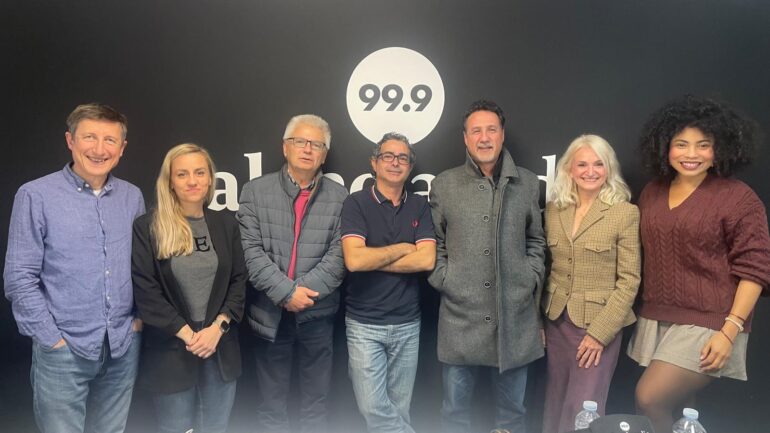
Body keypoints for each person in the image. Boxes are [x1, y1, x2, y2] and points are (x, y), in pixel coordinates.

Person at [628, 95, 770, 433]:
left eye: (703, 145)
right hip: (658, 315)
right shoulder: (652, 192)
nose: (691, 154)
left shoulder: (738, 197)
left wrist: (729, 331)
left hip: (711, 320)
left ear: (719, 148)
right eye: (681, 144)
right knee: (683, 411)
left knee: (649, 399)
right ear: (665, 146)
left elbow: (756, 269)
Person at [4, 103, 144, 433]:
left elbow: (143, 267)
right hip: (63, 351)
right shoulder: (35, 195)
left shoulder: (132, 197)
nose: (99, 149)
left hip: (122, 346)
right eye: (89, 137)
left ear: (122, 148)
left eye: (110, 140)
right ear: (70, 140)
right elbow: (19, 277)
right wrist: (51, 339)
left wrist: (136, 323)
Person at [428, 99, 546, 433]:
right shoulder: (445, 184)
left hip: (515, 320)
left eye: (491, 129)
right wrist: (446, 279)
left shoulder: (527, 182)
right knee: (454, 414)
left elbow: (536, 240)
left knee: (512, 415)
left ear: (502, 134)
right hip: (460, 320)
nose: (484, 138)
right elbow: (434, 242)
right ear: (465, 138)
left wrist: (529, 276)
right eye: (476, 131)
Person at [237, 114, 347, 433]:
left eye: (316, 144)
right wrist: (286, 293)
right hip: (270, 315)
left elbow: (340, 255)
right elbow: (250, 252)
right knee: (271, 406)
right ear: (285, 147)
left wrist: (301, 295)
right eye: (300, 141)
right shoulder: (255, 192)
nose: (307, 149)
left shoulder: (341, 198)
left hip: (317, 315)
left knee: (316, 405)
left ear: (324, 154)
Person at [131, 143, 246, 433]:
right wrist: (189, 335)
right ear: (170, 181)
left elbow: (238, 281)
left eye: (199, 173)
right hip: (171, 351)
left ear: (210, 178)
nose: (192, 181)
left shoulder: (226, 225)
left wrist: (217, 329)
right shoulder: (148, 227)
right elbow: (146, 290)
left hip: (218, 348)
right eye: (182, 174)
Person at [541, 134, 641, 433]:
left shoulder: (624, 213)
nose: (590, 171)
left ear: (609, 169)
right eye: (582, 164)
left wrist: (599, 335)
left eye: (599, 164)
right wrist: (538, 320)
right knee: (555, 401)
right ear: (569, 169)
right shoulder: (554, 210)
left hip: (597, 326)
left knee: (583, 408)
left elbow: (629, 280)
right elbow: (546, 269)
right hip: (556, 322)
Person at [341, 133, 436, 433]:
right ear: (374, 162)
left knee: (399, 410)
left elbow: (426, 260)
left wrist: (375, 258)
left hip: (408, 324)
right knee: (374, 409)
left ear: (410, 166)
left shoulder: (419, 205)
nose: (395, 163)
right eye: (388, 156)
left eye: (402, 157)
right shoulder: (356, 203)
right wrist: (404, 248)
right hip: (364, 325)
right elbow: (354, 261)